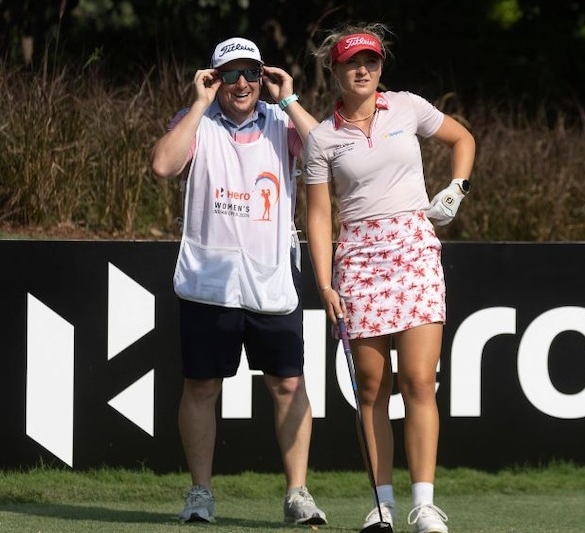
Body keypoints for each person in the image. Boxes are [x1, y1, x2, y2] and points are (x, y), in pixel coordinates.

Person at [304, 23, 475, 533]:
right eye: (352, 62)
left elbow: (461, 137)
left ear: (381, 66)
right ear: (334, 70)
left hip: (414, 247)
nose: (362, 70)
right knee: (373, 388)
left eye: (371, 62)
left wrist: (457, 188)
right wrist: (324, 282)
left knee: (420, 380)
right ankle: (383, 507)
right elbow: (317, 215)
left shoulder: (407, 107)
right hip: (358, 255)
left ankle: (425, 505)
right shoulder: (322, 138)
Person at [151, 36, 326, 526]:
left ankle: (297, 495)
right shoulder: (197, 122)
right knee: (202, 387)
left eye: (251, 73)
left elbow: (330, 153)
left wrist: (288, 97)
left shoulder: (280, 122)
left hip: (270, 280)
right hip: (210, 281)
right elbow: (164, 164)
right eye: (230, 74)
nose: (243, 83)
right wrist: (198, 102)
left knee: (289, 385)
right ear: (214, 79)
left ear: (263, 76)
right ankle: (200, 493)